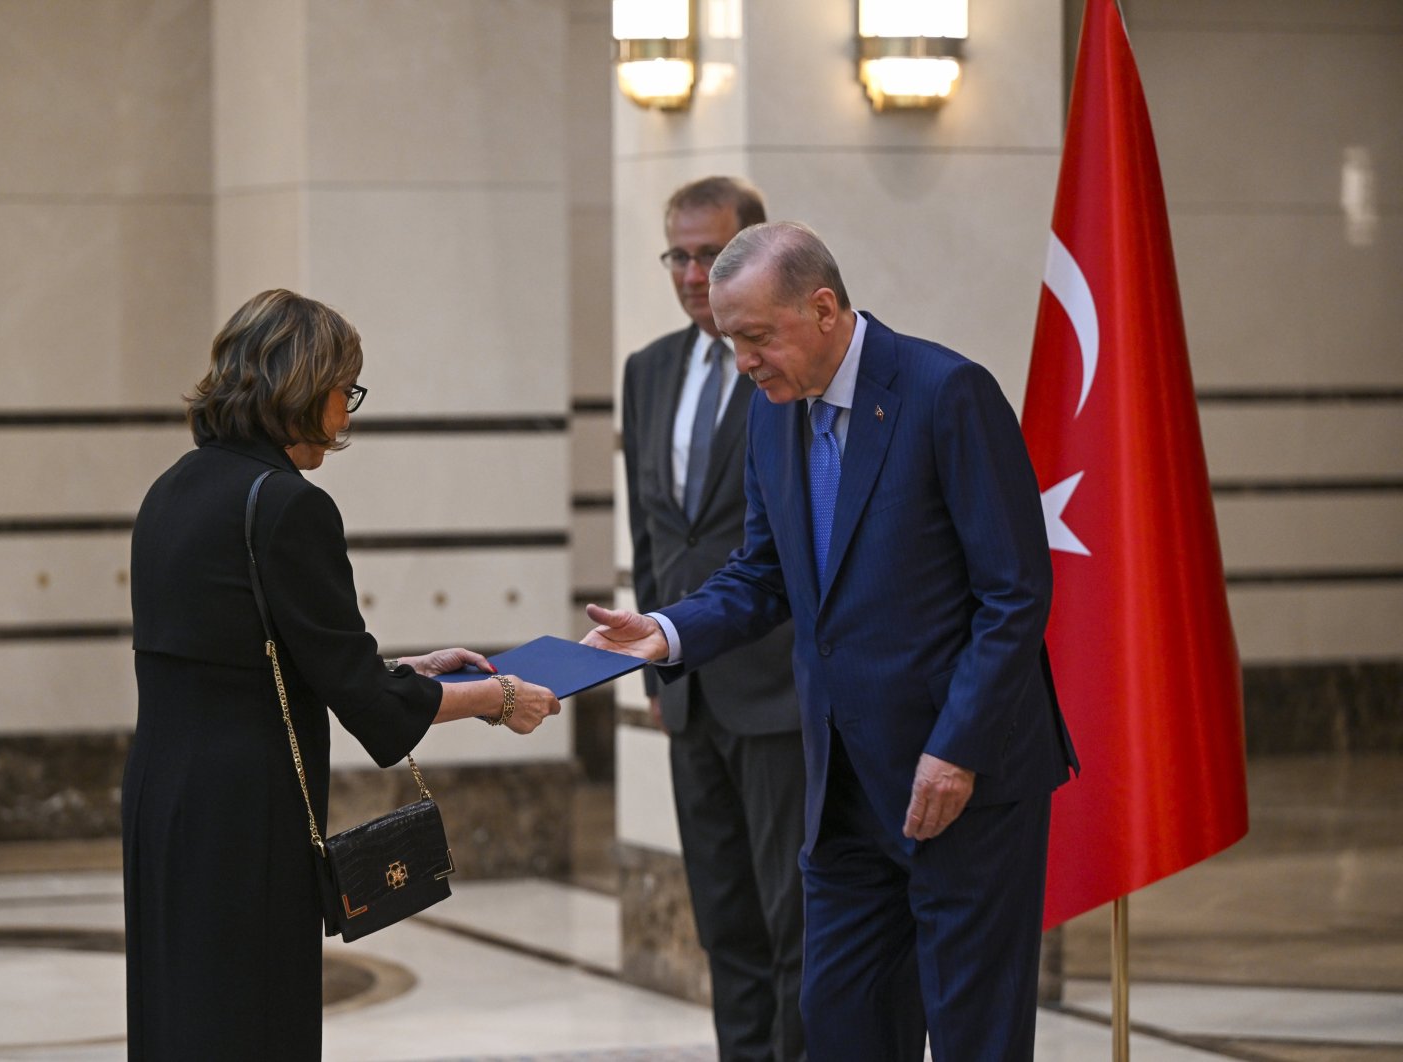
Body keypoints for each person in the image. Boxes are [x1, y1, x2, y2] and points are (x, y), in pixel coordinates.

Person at [586, 223, 1077, 1062]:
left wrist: (955, 750)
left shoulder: (946, 393)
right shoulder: (772, 415)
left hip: (958, 785)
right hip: (841, 793)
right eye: (730, 339)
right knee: (841, 1023)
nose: (741, 361)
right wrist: (666, 632)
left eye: (754, 337)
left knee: (974, 1035)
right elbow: (762, 573)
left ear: (821, 309)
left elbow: (1013, 594)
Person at [122, 288, 560, 1061]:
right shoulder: (289, 506)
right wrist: (500, 697)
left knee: (182, 1012)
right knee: (257, 1018)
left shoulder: (171, 491)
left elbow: (258, 655)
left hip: (163, 795)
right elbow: (368, 703)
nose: (346, 415)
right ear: (303, 386)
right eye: (343, 391)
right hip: (247, 810)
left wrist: (410, 667)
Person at [621, 176, 806, 1061]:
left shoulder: (785, 365)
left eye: (710, 255)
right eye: (680, 255)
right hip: (690, 693)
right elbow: (654, 534)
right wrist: (663, 669)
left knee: (793, 920)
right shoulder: (648, 370)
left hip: (779, 692)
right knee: (726, 920)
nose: (694, 275)